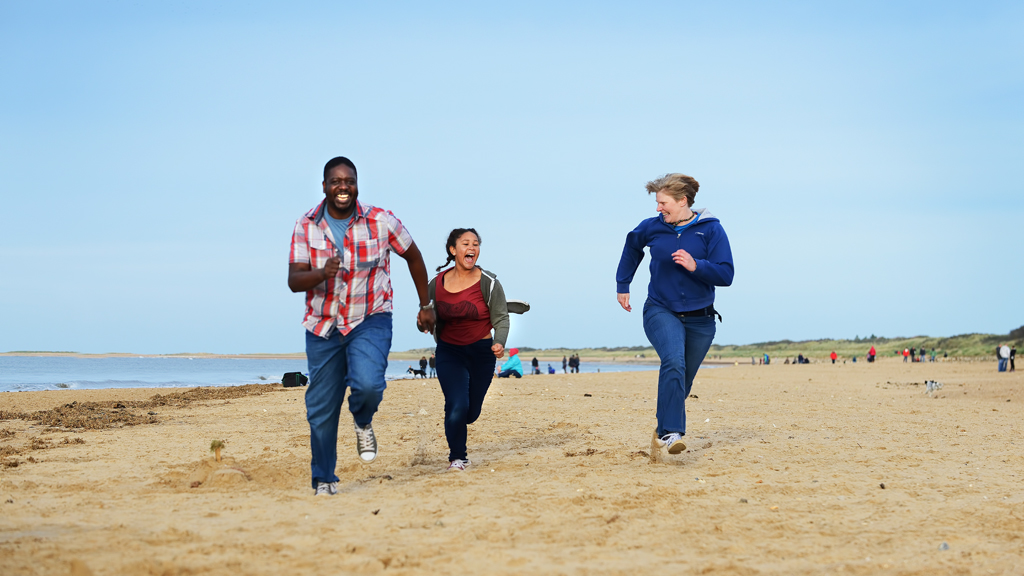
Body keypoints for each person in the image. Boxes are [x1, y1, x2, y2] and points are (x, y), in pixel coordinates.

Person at [288, 156, 435, 496]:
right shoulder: (306, 225)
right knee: (321, 409)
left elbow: (414, 256)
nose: (343, 187)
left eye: (349, 181)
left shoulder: (381, 221)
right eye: (336, 181)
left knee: (368, 386)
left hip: (371, 317)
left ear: (356, 185)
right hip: (322, 325)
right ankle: (324, 479)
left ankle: (362, 419)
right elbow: (294, 280)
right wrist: (321, 273)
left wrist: (425, 305)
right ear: (324, 186)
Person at [616, 173, 733, 457]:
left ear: (683, 201)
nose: (658, 209)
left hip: (701, 318)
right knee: (673, 361)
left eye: (663, 203)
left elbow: (726, 274)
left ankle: (660, 429)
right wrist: (623, 283)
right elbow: (632, 246)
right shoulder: (652, 228)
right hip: (661, 309)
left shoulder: (711, 230)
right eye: (657, 203)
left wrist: (697, 266)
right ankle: (672, 433)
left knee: (682, 377)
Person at [421, 228, 513, 472]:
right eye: (465, 243)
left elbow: (501, 318)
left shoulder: (489, 283)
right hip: (449, 352)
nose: (471, 248)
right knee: (457, 405)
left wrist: (499, 341)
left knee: (469, 413)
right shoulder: (435, 284)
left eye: (475, 244)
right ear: (453, 250)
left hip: (482, 352)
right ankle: (458, 457)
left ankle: (455, 412)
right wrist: (423, 321)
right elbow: (425, 316)